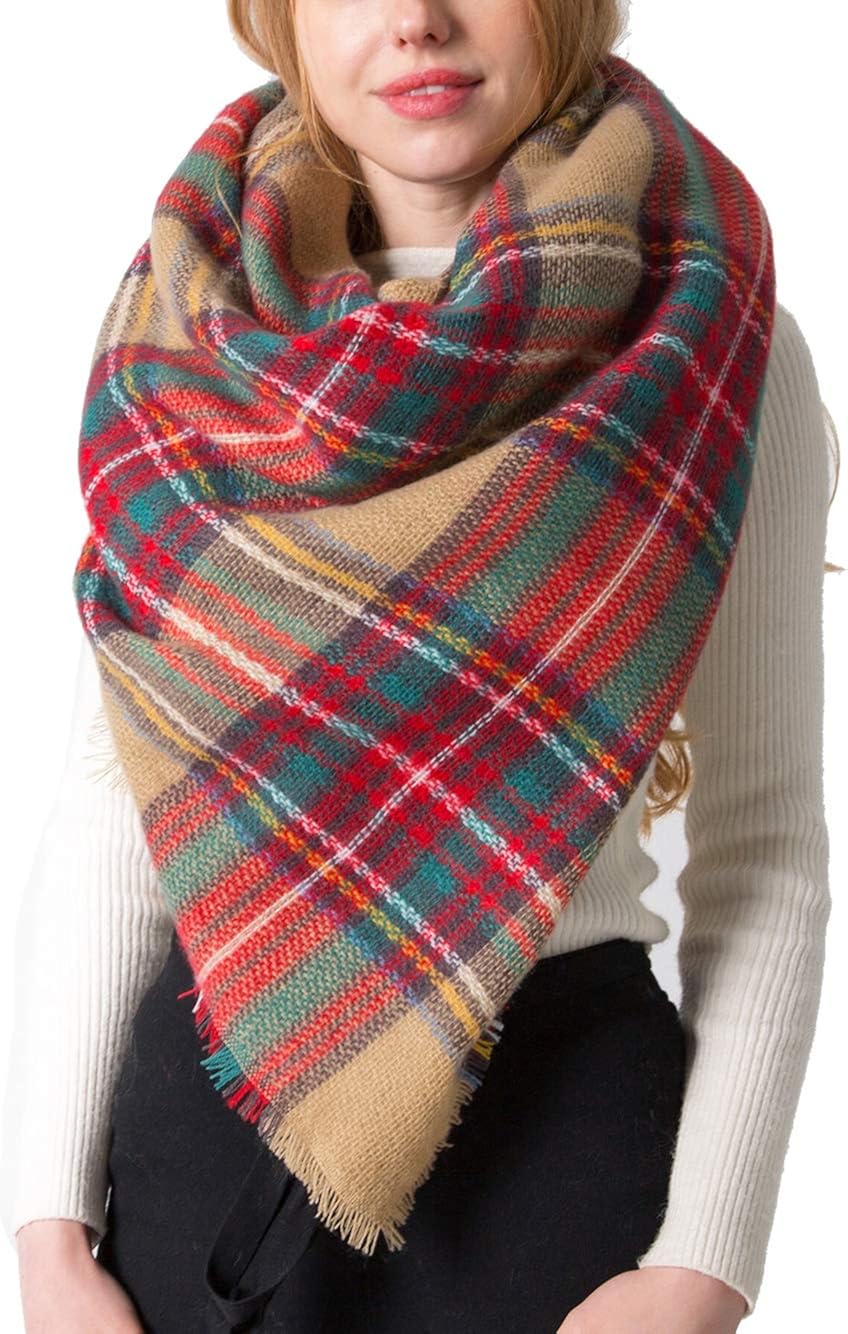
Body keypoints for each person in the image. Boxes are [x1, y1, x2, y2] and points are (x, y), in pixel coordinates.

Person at [2, 2, 839, 1331]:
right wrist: (46, 1233)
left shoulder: (710, 344)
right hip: (206, 1126)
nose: (416, 20)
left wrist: (705, 1264)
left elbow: (764, 837)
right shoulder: (180, 340)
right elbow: (115, 803)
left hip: (561, 1148)